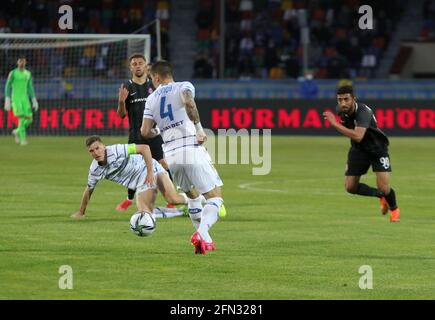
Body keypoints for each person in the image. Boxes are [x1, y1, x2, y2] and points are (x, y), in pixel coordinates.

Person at [141, 60, 225, 254]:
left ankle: (204, 241)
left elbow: (145, 131)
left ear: (157, 77)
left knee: (193, 197)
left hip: (170, 155)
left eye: (152, 78)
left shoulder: (151, 99)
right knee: (215, 198)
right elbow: (189, 102)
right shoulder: (184, 86)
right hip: (190, 148)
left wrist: (161, 131)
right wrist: (199, 130)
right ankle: (202, 233)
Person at [323, 86, 400, 222]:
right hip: (358, 150)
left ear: (354, 99)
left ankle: (394, 209)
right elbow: (356, 138)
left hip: (377, 149)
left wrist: (334, 124)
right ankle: (380, 196)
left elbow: (358, 136)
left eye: (346, 99)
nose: (343, 103)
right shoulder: (340, 111)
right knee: (350, 187)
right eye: (340, 100)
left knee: (384, 188)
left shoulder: (363, 111)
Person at [71, 136, 188, 220]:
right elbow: (89, 190)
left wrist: (150, 171)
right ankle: (182, 210)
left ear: (104, 146)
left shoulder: (116, 150)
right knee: (144, 214)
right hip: (139, 183)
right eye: (91, 151)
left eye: (97, 148)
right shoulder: (95, 170)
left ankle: (195, 200)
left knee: (173, 199)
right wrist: (81, 212)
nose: (96, 153)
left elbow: (145, 148)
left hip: (149, 170)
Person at [116, 53, 172, 212]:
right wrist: (121, 102)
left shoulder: (154, 85)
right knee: (134, 168)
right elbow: (121, 115)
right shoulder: (126, 87)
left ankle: (170, 198)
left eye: (140, 63)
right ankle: (129, 199)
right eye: (134, 64)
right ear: (130, 67)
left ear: (146, 66)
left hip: (154, 134)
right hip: (136, 135)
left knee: (163, 164)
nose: (138, 66)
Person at [4, 56, 39, 146]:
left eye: (23, 61)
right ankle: (23, 140)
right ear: (17, 62)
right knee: (22, 117)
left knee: (30, 120)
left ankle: (17, 131)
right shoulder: (13, 73)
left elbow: (30, 87)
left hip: (25, 99)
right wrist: (7, 99)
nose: (21, 63)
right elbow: (8, 86)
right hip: (16, 99)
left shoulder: (28, 74)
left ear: (25, 62)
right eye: (20, 61)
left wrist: (34, 100)